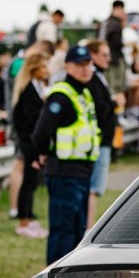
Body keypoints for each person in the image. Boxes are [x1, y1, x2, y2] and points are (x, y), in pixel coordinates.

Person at [33, 45, 101, 264]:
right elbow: (42, 132)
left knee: (76, 231)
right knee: (63, 231)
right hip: (64, 173)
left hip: (82, 172)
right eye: (80, 65)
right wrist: (42, 153)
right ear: (68, 67)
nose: (85, 69)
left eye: (88, 64)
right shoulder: (61, 94)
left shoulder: (85, 94)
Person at [9, 48, 52, 238]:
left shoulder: (36, 87)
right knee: (28, 182)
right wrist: (33, 148)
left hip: (32, 142)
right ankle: (23, 220)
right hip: (28, 142)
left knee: (32, 181)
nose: (46, 70)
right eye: (43, 66)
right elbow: (26, 123)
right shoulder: (28, 92)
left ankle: (29, 217)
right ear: (34, 69)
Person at [85, 38, 120, 226]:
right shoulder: (92, 77)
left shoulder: (99, 76)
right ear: (93, 55)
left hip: (102, 138)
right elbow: (100, 106)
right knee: (93, 188)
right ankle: (88, 228)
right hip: (99, 139)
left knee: (94, 189)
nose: (108, 59)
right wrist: (114, 103)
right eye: (104, 55)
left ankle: (87, 226)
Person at [102, 0, 127, 81]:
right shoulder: (115, 24)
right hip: (114, 60)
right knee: (117, 89)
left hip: (105, 58)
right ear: (118, 8)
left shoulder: (106, 22)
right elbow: (117, 43)